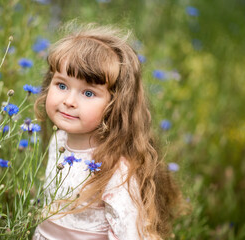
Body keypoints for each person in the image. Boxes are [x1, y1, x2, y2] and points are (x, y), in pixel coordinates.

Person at [33, 24, 181, 240]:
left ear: (116, 104)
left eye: (88, 93)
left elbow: (129, 233)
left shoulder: (115, 169)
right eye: (62, 86)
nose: (69, 101)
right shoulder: (59, 139)